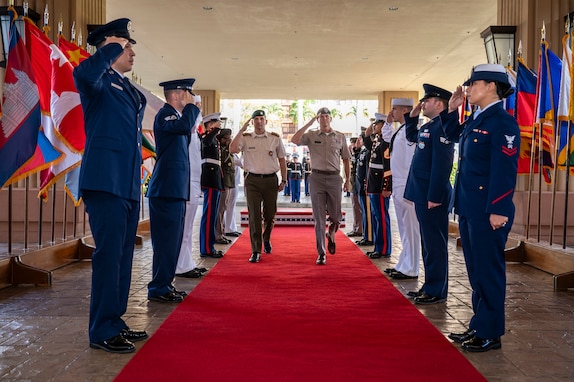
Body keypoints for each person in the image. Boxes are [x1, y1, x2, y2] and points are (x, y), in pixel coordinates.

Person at [73, 18, 148, 353]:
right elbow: (84, 75)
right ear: (109, 46)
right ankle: (101, 329)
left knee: (122, 256)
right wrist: (110, 47)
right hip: (104, 181)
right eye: (125, 45)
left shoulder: (127, 88)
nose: (131, 52)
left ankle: (114, 320)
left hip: (128, 182)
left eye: (129, 46)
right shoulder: (97, 79)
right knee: (108, 256)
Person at [444, 64, 519, 352]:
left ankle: (490, 332)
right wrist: (451, 110)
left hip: (489, 211)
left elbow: (505, 169)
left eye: (473, 84)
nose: (468, 89)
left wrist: (498, 209)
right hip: (469, 207)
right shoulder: (477, 118)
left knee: (488, 271)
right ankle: (478, 325)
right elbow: (454, 137)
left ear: (491, 86)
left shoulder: (502, 122)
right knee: (476, 271)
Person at [146, 79, 201, 303]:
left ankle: (164, 285)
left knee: (173, 241)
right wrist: (192, 108)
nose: (191, 96)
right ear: (176, 95)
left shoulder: (177, 117)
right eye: (187, 93)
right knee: (166, 242)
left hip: (175, 189)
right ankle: (158, 287)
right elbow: (182, 128)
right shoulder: (166, 114)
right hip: (166, 190)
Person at [404, 84, 455, 304]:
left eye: (427, 100)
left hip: (432, 196)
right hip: (422, 192)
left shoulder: (443, 126)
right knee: (428, 242)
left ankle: (436, 289)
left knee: (435, 243)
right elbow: (412, 136)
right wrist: (411, 117)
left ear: (439, 104)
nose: (423, 104)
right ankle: (430, 284)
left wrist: (434, 196)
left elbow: (442, 165)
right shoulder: (431, 125)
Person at [291, 107, 351, 265]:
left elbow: (346, 159)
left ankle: (331, 233)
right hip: (316, 178)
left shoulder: (339, 136)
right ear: (318, 120)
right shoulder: (311, 135)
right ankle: (321, 253)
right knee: (319, 219)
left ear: (330, 118)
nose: (324, 119)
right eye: (321, 117)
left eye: (326, 116)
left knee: (336, 217)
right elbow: (294, 140)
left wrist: (348, 179)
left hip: (334, 178)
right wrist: (309, 122)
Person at [229, 109, 287, 263]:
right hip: (252, 180)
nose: (259, 122)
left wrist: (284, 180)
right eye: (256, 119)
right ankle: (256, 249)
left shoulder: (275, 138)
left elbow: (282, 159)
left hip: (270, 180)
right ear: (252, 121)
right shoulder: (246, 138)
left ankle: (266, 238)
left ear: (266, 121)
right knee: (254, 215)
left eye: (262, 119)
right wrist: (241, 129)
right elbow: (232, 149)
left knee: (270, 214)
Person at [382, 98, 421, 280]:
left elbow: (410, 161)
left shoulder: (411, 132)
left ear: (406, 110)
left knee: (411, 228)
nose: (392, 112)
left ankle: (412, 267)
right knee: (404, 228)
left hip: (407, 183)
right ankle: (403, 264)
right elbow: (386, 137)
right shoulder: (401, 130)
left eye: (395, 109)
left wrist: (408, 184)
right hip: (398, 183)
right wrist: (388, 123)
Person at [175, 95, 209, 279]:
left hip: (194, 182)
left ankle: (187, 262)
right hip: (187, 182)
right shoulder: (185, 130)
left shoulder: (194, 133)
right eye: (196, 108)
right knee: (184, 226)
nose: (199, 112)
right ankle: (181, 264)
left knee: (188, 228)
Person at [363, 113, 392, 259]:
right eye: (374, 123)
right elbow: (366, 135)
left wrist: (386, 187)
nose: (374, 126)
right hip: (373, 184)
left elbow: (388, 166)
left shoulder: (386, 142)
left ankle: (384, 248)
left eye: (377, 124)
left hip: (380, 184)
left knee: (381, 217)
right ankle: (378, 247)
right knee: (376, 217)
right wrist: (374, 126)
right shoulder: (377, 141)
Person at [199, 113, 225, 258]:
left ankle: (210, 246)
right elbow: (206, 142)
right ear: (209, 124)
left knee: (213, 215)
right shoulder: (206, 137)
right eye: (216, 123)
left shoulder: (214, 139)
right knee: (208, 215)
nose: (219, 125)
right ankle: (206, 249)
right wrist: (214, 131)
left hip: (215, 180)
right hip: (209, 179)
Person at [215, 128, 234, 244]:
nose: (228, 140)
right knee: (220, 209)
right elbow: (223, 162)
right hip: (223, 181)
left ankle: (221, 232)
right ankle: (218, 234)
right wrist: (228, 147)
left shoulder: (227, 149)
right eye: (226, 139)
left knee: (224, 208)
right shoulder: (221, 150)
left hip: (228, 181)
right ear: (221, 139)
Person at [354, 134, 374, 246]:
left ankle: (370, 237)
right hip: (359, 185)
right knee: (364, 212)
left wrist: (366, 183)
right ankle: (366, 236)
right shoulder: (362, 152)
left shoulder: (368, 152)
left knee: (368, 213)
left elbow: (367, 169)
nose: (359, 141)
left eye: (360, 139)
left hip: (365, 185)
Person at [347, 137, 363, 237]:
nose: (352, 146)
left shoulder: (361, 154)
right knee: (355, 206)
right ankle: (356, 227)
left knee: (358, 206)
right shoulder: (353, 154)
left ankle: (360, 229)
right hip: (353, 182)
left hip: (358, 183)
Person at [224, 152, 243, 237]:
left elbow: (242, 165)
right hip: (231, 183)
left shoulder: (234, 154)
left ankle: (232, 227)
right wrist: (244, 153)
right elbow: (241, 163)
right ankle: (228, 228)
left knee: (232, 206)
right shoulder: (228, 154)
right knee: (229, 206)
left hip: (235, 182)